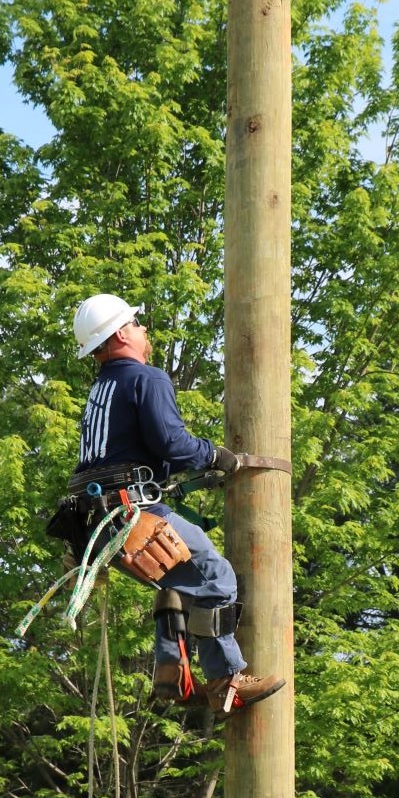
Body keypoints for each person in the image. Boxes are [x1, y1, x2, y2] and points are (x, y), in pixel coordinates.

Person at [57, 292, 285, 717]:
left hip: (97, 517)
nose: (145, 332)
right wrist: (216, 456)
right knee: (215, 579)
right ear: (121, 333)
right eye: (138, 325)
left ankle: (170, 667)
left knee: (180, 582)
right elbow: (173, 444)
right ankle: (227, 681)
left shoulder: (102, 389)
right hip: (130, 511)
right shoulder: (147, 378)